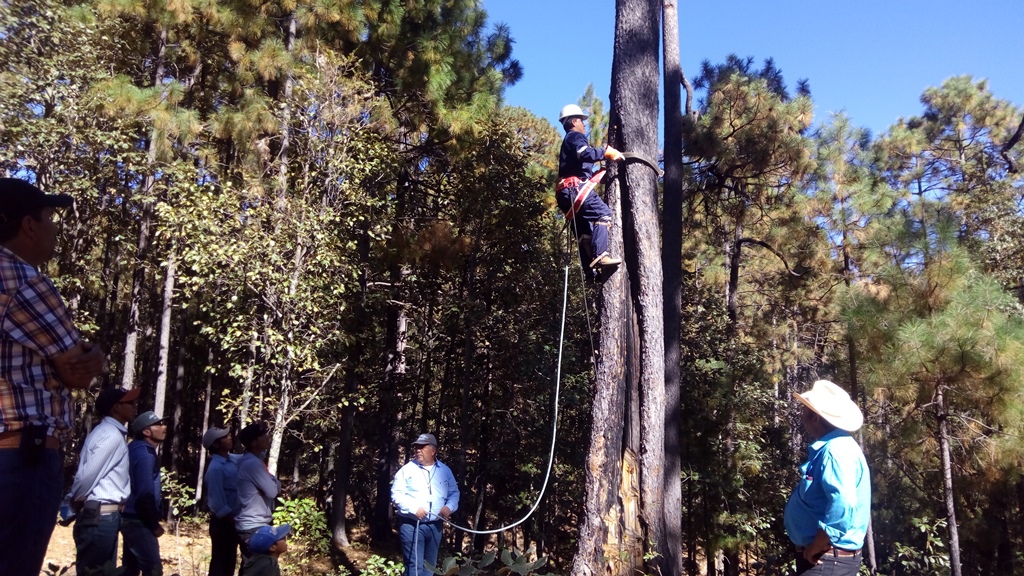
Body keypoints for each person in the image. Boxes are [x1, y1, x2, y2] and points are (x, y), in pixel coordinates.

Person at [0, 177, 106, 576]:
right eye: (50, 217)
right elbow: (77, 372)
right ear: (29, 225)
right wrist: (95, 356)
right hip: (18, 458)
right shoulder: (23, 280)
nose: (54, 228)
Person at [784, 380, 871, 575]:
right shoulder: (837, 447)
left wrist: (818, 545)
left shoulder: (835, 451)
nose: (802, 414)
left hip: (825, 559)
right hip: (827, 559)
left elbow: (843, 503)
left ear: (814, 417)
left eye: (805, 409)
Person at [69, 386, 140, 575]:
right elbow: (87, 476)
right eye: (130, 402)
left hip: (103, 517)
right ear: (116, 407)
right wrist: (74, 501)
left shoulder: (110, 432)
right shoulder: (110, 435)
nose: (134, 406)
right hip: (100, 517)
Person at [555, 104, 624, 278]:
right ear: (573, 122)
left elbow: (579, 167)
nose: (584, 124)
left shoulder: (568, 142)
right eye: (581, 121)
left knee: (584, 232)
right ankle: (601, 256)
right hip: (573, 190)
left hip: (566, 193)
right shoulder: (575, 136)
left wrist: (598, 175)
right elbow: (585, 153)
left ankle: (590, 272)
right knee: (603, 214)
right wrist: (606, 152)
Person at [391, 433, 460, 576]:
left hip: (435, 526)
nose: (418, 450)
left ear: (433, 451)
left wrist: (449, 507)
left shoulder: (445, 471)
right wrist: (414, 509)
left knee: (430, 567)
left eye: (422, 447)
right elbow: (396, 495)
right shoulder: (406, 470)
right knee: (414, 567)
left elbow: (454, 493)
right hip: (412, 525)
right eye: (416, 447)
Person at [121, 410, 169, 576]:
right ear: (146, 432)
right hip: (138, 521)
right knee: (153, 570)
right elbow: (144, 494)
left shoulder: (135, 448)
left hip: (131, 518)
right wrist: (153, 525)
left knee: (129, 569)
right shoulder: (145, 455)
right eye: (158, 425)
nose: (164, 427)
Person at [235, 422, 280, 562]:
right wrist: (274, 482)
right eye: (262, 435)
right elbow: (273, 491)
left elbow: (273, 485)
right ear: (253, 442)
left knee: (252, 567)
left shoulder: (254, 461)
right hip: (253, 526)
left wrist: (273, 482)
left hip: (254, 524)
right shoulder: (252, 464)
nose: (267, 437)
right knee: (258, 566)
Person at [203, 426, 242, 576]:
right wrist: (234, 522)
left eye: (229, 435)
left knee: (229, 563)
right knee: (221, 565)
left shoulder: (231, 459)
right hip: (224, 524)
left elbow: (251, 457)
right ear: (215, 444)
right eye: (225, 437)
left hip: (233, 521)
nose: (230, 438)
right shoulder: (215, 468)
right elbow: (217, 503)